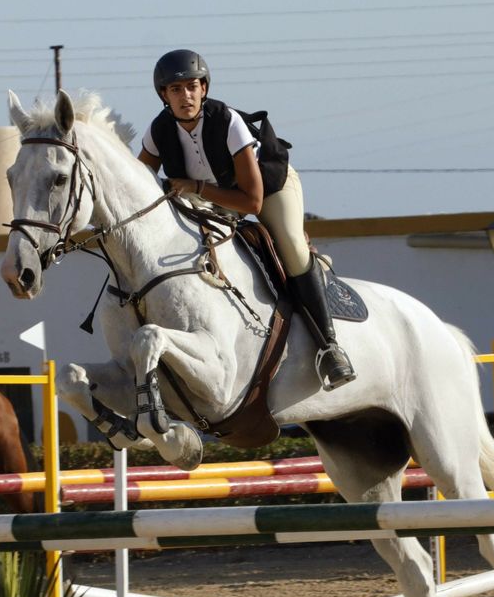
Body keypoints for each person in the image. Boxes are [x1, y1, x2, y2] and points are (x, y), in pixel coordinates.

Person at [138, 49, 356, 391]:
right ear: (163, 95)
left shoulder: (227, 122)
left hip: (269, 189)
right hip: (213, 198)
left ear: (204, 88)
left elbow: (252, 201)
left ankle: (330, 347)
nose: (186, 96)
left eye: (192, 86)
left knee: (292, 248)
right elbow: (141, 186)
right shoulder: (158, 132)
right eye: (176, 90)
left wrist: (195, 187)